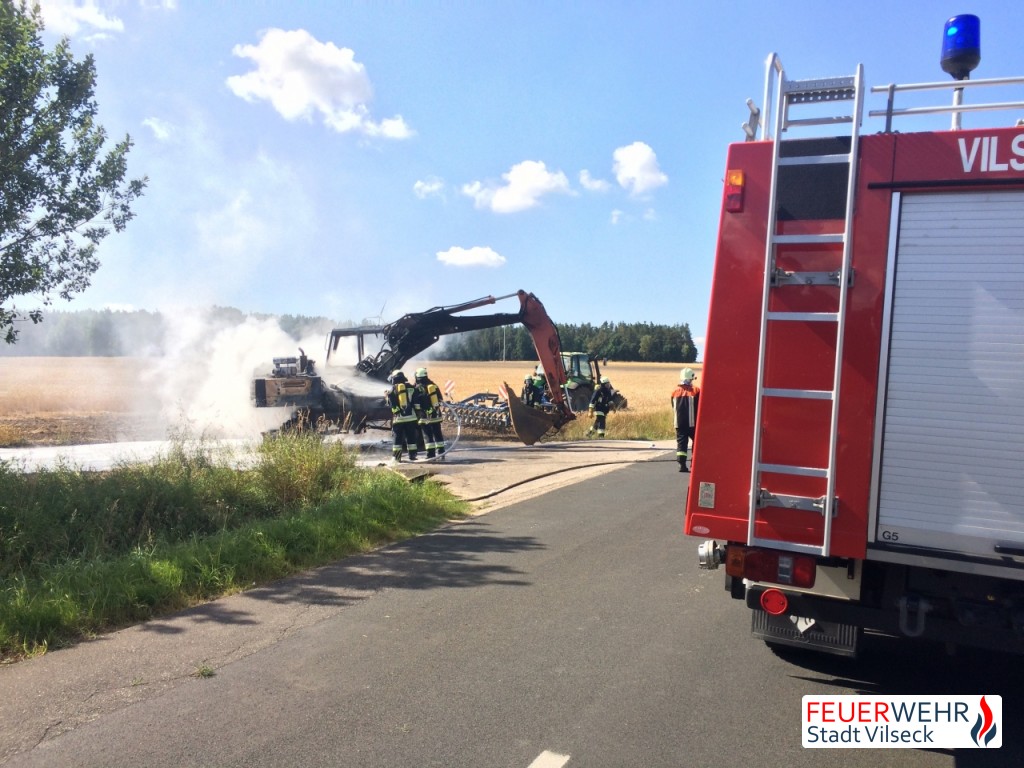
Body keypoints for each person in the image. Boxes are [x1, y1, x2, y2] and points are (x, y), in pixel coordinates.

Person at [385, 370, 419, 462]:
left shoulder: (392, 389)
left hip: (399, 419)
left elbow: (391, 404)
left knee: (398, 438)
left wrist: (386, 396)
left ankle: (397, 457)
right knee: (411, 437)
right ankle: (412, 455)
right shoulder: (411, 388)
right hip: (411, 418)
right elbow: (416, 403)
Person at [412, 367, 446, 459]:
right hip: (436, 415)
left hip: (425, 416)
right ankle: (441, 453)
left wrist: (418, 413)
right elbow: (440, 399)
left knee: (427, 435)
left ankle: (431, 454)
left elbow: (417, 403)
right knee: (438, 434)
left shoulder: (417, 388)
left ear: (417, 377)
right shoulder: (434, 386)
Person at [671, 367, 700, 472]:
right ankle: (694, 465)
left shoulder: (674, 392)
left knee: (681, 444)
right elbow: (700, 406)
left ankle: (681, 465)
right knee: (697, 443)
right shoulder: (696, 391)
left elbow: (673, 407)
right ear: (690, 379)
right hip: (693, 423)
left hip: (679, 423)